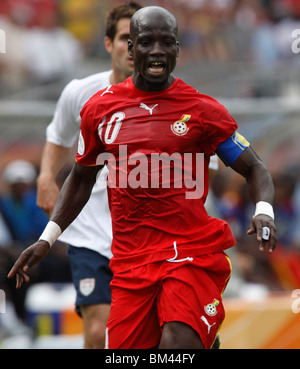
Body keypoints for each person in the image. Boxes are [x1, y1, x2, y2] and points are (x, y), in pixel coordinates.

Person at [8, 6, 277, 349]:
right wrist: (47, 238)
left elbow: (254, 167)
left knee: (178, 341)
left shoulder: (203, 110)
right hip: (131, 262)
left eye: (167, 42)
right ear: (130, 48)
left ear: (178, 48)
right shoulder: (98, 109)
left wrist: (264, 209)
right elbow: (80, 179)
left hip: (188, 253)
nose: (157, 51)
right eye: (146, 42)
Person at [35, 2, 142, 349]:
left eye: (139, 39)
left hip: (144, 237)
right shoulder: (81, 93)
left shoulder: (171, 102)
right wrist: (46, 178)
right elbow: (57, 136)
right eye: (125, 37)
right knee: (98, 330)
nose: (132, 47)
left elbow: (205, 166)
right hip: (89, 233)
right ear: (109, 44)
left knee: (143, 334)